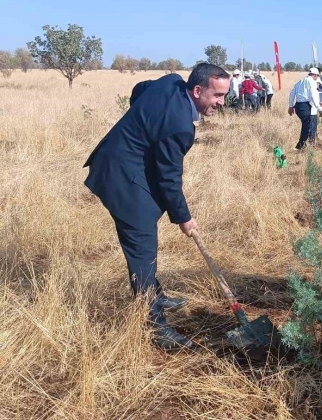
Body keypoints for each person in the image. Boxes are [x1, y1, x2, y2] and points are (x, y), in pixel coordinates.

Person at [83, 63, 230, 350]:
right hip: (119, 178)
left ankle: (155, 293)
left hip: (128, 166)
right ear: (197, 90)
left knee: (146, 235)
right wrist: (183, 218)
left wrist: (144, 125)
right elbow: (169, 179)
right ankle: (156, 327)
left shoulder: (172, 80)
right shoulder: (179, 127)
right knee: (142, 249)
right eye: (217, 96)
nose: (221, 103)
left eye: (224, 96)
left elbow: (140, 91)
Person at [288, 67, 322, 149]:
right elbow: (314, 96)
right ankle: (300, 146)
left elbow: (292, 94)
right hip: (305, 106)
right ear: (315, 75)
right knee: (308, 125)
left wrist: (291, 106)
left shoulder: (300, 82)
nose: (317, 78)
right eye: (317, 76)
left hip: (298, 106)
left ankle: (306, 145)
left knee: (306, 125)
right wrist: (319, 108)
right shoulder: (312, 82)